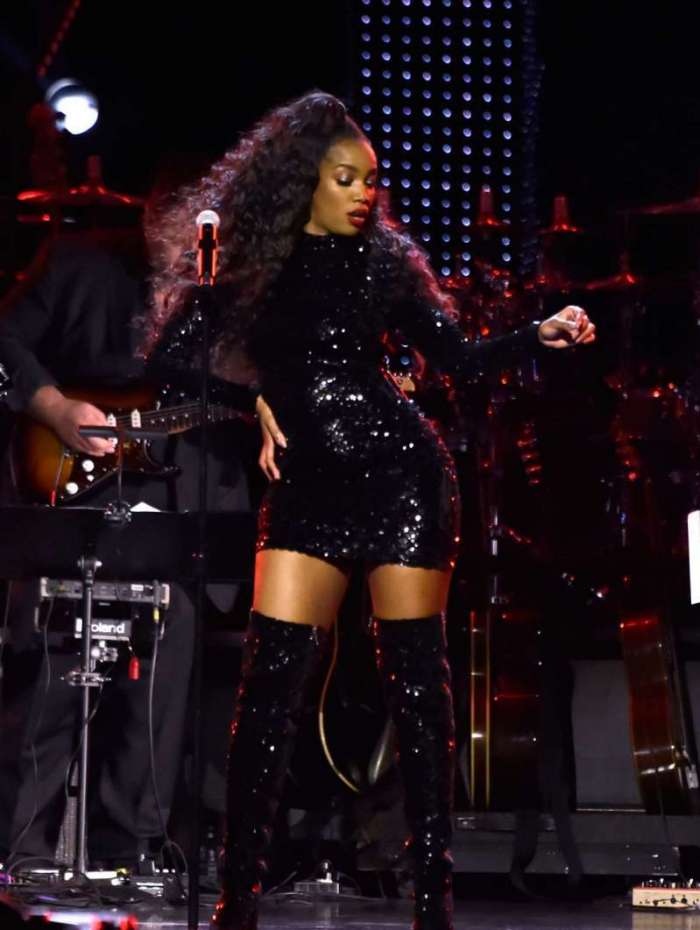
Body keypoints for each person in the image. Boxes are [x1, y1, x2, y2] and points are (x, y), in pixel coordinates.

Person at [146, 91, 595, 930]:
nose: (362, 195)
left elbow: (457, 359)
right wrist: (255, 407)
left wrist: (537, 335)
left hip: (403, 479)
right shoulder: (255, 264)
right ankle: (236, 899)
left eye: (370, 182)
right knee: (269, 691)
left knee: (418, 688)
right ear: (299, 186)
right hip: (310, 490)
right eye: (344, 179)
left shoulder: (384, 263)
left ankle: (434, 899)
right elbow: (174, 363)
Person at [0, 192, 260, 867]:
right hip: (70, 487)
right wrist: (54, 408)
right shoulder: (77, 263)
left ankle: (135, 848)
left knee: (166, 675)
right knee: (54, 659)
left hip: (186, 494)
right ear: (150, 217)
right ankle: (20, 849)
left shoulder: (243, 295)